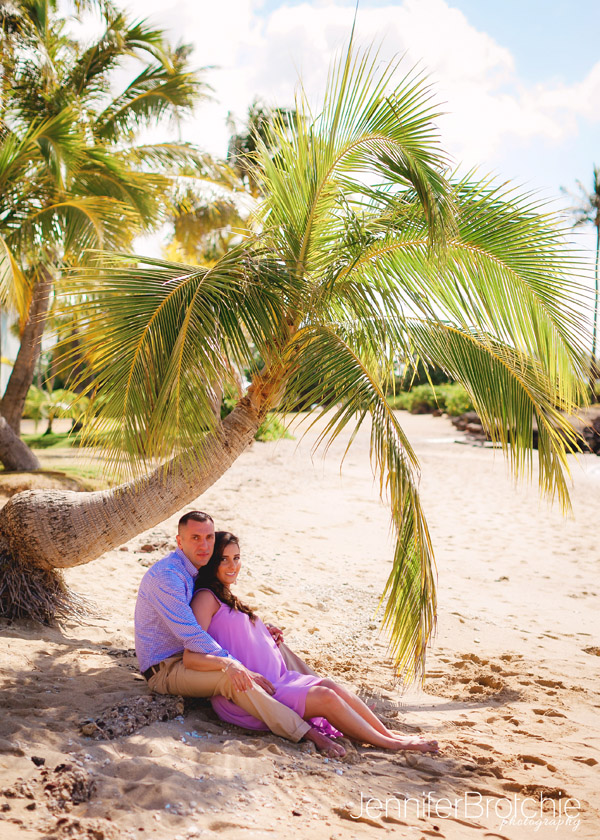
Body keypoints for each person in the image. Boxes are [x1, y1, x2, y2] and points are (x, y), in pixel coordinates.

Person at [186, 531, 439, 753]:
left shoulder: (227, 595)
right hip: (254, 696)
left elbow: (234, 633)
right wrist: (238, 668)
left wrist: (264, 631)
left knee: (331, 686)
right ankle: (391, 744)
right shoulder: (206, 598)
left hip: (280, 680)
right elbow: (194, 652)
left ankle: (391, 734)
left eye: (236, 558)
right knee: (326, 698)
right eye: (224, 559)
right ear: (211, 563)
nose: (233, 565)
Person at [134, 511, 343, 755]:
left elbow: (220, 617)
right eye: (195, 538)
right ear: (180, 542)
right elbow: (192, 635)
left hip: (192, 656)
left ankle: (330, 696)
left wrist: (262, 632)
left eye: (209, 537)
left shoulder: (193, 569)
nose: (204, 545)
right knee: (233, 678)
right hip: (167, 669)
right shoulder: (168, 577)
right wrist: (235, 664)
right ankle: (306, 732)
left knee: (275, 644)